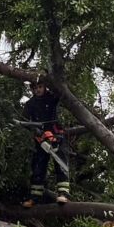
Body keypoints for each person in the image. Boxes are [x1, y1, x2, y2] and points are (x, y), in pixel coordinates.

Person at [21, 78, 70, 207]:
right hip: (41, 139)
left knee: (60, 164)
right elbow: (25, 121)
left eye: (40, 87)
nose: (37, 90)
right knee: (38, 167)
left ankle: (63, 194)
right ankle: (34, 198)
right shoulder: (30, 104)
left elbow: (62, 97)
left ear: (45, 87)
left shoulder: (53, 98)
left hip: (57, 136)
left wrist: (55, 134)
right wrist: (37, 131)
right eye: (35, 88)